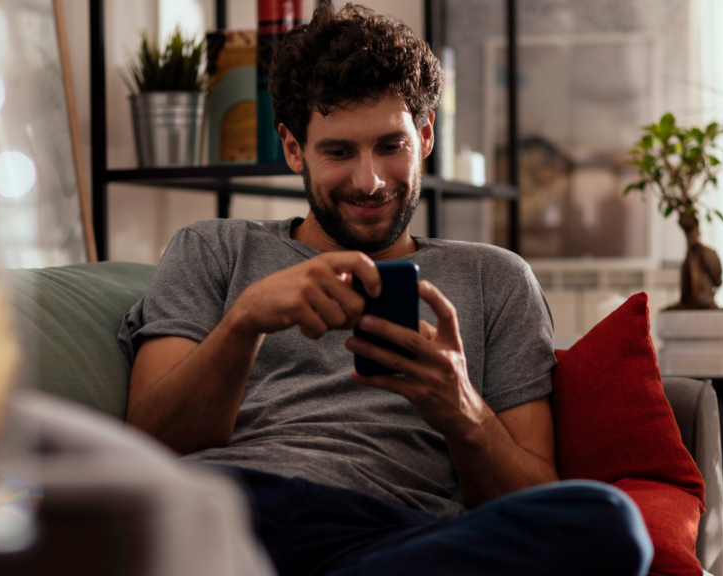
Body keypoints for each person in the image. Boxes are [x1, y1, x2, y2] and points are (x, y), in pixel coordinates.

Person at [117, 4, 652, 575]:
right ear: (294, 149)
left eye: (390, 146)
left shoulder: (496, 279)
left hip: (390, 538)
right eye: (338, 151)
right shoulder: (214, 249)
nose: (369, 181)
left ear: (424, 137)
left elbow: (532, 496)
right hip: (227, 510)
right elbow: (148, 446)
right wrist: (244, 321)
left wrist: (461, 409)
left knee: (606, 520)